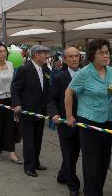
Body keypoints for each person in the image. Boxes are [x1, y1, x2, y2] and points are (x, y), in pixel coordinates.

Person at [65, 39, 112, 196]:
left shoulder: (111, 72)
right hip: (89, 122)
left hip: (107, 120)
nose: (105, 55)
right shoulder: (84, 74)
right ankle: (91, 192)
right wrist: (69, 116)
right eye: (101, 52)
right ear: (92, 55)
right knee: (91, 161)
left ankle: (97, 190)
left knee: (103, 160)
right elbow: (69, 93)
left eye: (107, 52)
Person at [11, 45, 51, 177]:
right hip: (27, 111)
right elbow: (15, 88)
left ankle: (36, 162)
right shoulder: (25, 69)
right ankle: (29, 166)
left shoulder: (45, 69)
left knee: (38, 139)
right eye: (44, 53)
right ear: (36, 55)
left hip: (40, 111)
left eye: (46, 53)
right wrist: (16, 104)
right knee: (29, 141)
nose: (46, 55)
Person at [47, 46, 81, 196]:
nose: (74, 59)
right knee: (68, 153)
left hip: (83, 122)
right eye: (71, 57)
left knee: (73, 154)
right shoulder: (59, 77)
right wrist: (54, 114)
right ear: (65, 60)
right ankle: (73, 185)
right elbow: (52, 99)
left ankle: (62, 175)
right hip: (65, 122)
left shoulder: (85, 75)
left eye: (77, 56)